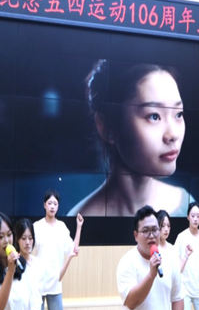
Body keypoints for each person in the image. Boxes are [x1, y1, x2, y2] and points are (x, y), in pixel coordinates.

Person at [68, 59, 191, 217]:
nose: (172, 135)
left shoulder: (187, 206)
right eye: (154, 116)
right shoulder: (79, 219)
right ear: (106, 127)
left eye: (178, 114)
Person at [33, 190, 83, 310]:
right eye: (49, 203)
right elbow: (29, 251)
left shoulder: (62, 227)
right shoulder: (37, 227)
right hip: (37, 286)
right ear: (44, 205)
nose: (52, 206)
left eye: (55, 203)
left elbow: (73, 249)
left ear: (58, 206)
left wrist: (79, 227)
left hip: (55, 286)